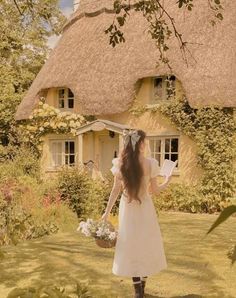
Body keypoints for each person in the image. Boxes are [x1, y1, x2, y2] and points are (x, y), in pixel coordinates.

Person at [101, 129, 172, 298]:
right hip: (145, 208)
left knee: (131, 245)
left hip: (128, 209)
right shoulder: (150, 163)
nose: (145, 145)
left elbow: (115, 191)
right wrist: (167, 181)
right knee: (145, 245)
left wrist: (106, 212)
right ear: (140, 144)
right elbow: (155, 191)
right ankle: (142, 288)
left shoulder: (120, 164)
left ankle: (137, 292)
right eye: (145, 142)